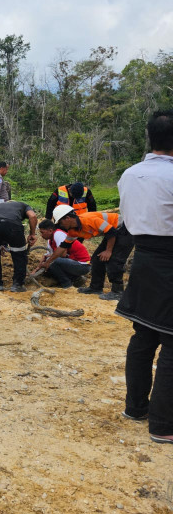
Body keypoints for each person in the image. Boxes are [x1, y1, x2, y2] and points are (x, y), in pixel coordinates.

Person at [115, 111, 173, 444]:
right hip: (168, 260)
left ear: (150, 137)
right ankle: (164, 425)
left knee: (144, 336)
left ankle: (136, 408)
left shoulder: (130, 174)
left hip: (144, 258)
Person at [49, 206, 134, 301]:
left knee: (115, 261)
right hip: (113, 233)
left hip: (126, 229)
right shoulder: (73, 231)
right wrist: (48, 262)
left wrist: (108, 251)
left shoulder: (87, 220)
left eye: (60, 222)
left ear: (67, 218)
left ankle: (118, 292)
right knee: (97, 259)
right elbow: (63, 246)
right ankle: (96, 288)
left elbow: (111, 232)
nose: (61, 225)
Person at [0, 200, 38, 292]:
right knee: (19, 255)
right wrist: (32, 234)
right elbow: (32, 216)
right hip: (13, 226)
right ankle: (17, 285)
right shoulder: (23, 205)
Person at [33, 219, 90, 288]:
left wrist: (47, 261)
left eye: (42, 232)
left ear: (50, 231)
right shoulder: (50, 240)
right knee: (49, 266)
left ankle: (67, 284)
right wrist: (37, 269)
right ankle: (77, 279)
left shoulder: (58, 234)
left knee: (53, 262)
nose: (41, 235)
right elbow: (46, 256)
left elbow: (62, 254)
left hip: (83, 265)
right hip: (73, 263)